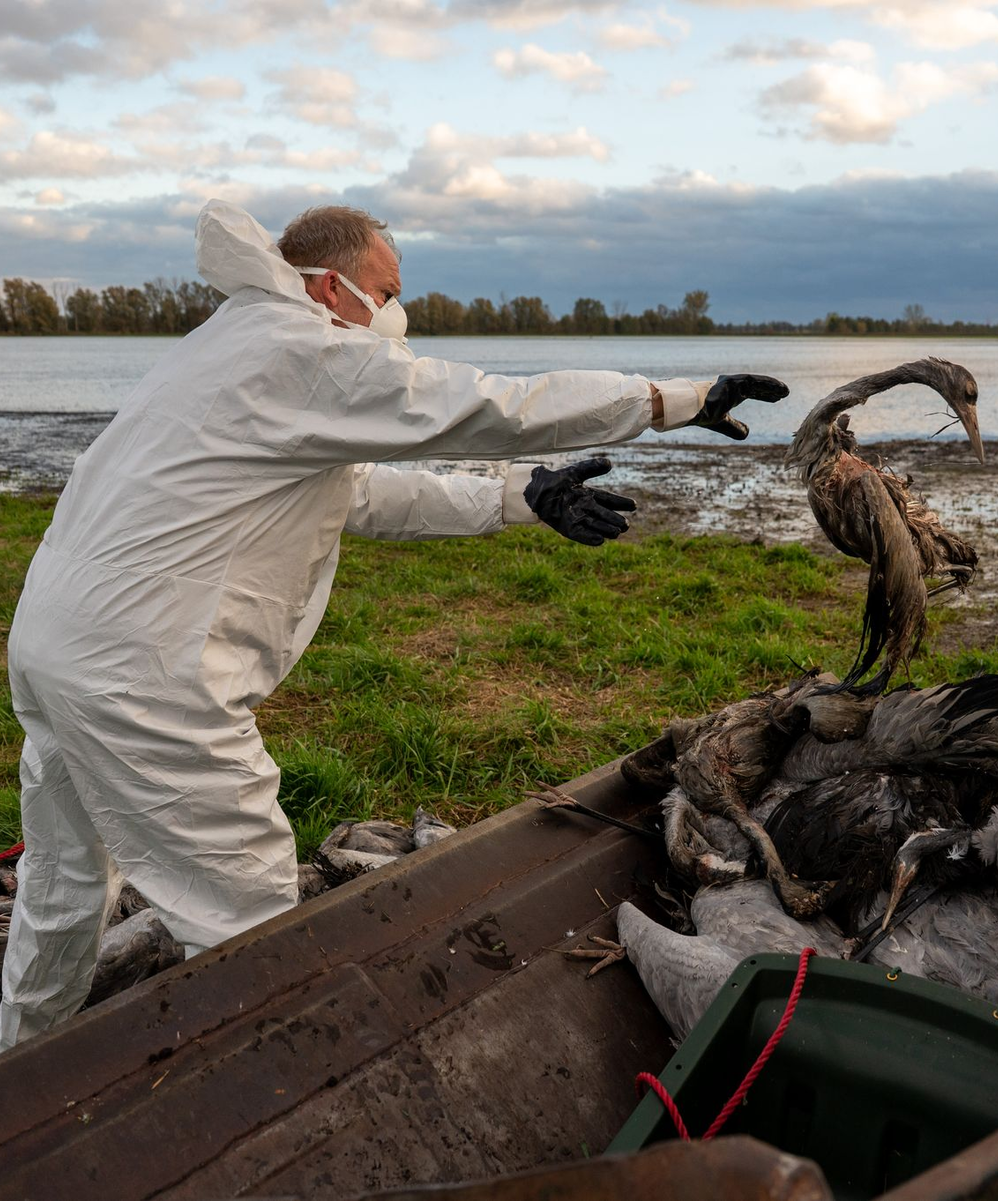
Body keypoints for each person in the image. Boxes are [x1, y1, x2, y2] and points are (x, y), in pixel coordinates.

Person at [0, 200, 787, 1048]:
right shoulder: (298, 349)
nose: (396, 312)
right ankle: (267, 1102)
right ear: (331, 287)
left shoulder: (233, 345)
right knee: (251, 914)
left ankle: (19, 1062)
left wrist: (518, 496)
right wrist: (670, 398)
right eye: (388, 290)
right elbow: (489, 404)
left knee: (61, 885)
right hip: (143, 675)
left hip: (54, 650)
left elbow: (360, 492)